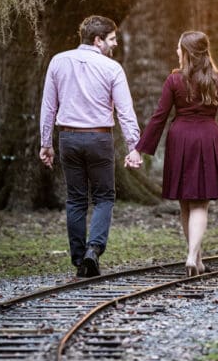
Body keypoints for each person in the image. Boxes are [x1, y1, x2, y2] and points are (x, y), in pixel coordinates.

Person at [126, 30, 218, 276]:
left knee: (186, 203)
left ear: (187, 52)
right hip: (209, 139)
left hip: (181, 140)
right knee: (201, 204)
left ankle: (192, 257)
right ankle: (194, 259)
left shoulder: (174, 80)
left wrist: (140, 149)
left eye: (179, 48)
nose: (176, 51)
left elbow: (159, 117)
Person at [39, 15, 142, 278]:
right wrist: (134, 146)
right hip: (98, 139)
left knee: (75, 199)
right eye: (111, 39)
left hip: (68, 139)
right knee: (104, 197)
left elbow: (49, 106)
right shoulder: (112, 68)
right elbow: (125, 111)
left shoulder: (58, 61)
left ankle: (78, 258)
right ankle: (92, 250)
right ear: (98, 40)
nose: (114, 44)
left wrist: (45, 143)